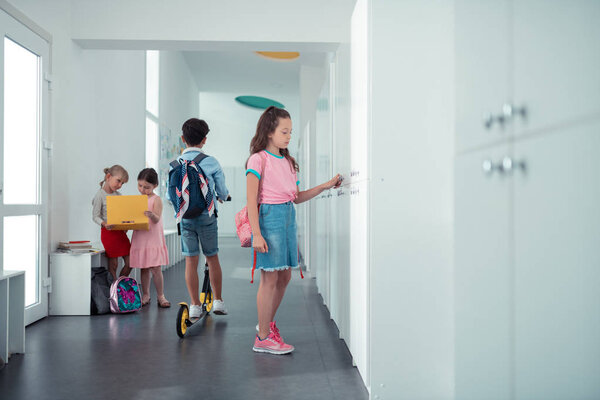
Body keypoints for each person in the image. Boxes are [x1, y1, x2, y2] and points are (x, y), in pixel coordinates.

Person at [246, 106, 342, 355]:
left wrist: (325, 186)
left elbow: (296, 197)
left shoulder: (288, 161)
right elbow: (251, 200)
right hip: (270, 217)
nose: (289, 136)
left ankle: (266, 325)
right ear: (269, 131)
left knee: (285, 277)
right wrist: (257, 233)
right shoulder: (258, 159)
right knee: (269, 277)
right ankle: (263, 337)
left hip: (289, 215)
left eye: (290, 131)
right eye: (284, 131)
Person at [169, 118, 230, 319]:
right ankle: (218, 302)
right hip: (207, 216)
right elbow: (221, 190)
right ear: (204, 140)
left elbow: (173, 194)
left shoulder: (176, 163)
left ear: (182, 139)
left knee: (190, 261)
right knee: (212, 258)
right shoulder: (211, 161)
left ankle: (194, 305)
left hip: (185, 218)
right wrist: (222, 197)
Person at [129, 168, 171, 308]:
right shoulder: (137, 200)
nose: (142, 189)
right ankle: (145, 294)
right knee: (144, 268)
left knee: (156, 268)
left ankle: (161, 295)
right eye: (140, 186)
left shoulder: (156, 199)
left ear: (155, 186)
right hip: (140, 235)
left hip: (152, 237)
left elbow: (157, 218)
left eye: (147, 187)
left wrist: (151, 215)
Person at [92, 165, 132, 280]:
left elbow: (122, 214)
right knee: (113, 264)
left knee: (130, 262)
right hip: (108, 233)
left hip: (120, 233)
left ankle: (120, 284)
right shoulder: (99, 195)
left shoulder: (119, 196)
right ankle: (115, 289)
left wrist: (126, 224)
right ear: (108, 177)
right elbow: (95, 216)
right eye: (118, 181)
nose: (120, 185)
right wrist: (104, 224)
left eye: (122, 183)